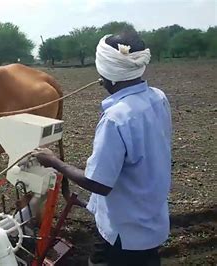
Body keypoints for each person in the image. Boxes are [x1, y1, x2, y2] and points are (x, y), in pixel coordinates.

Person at [32, 31, 172, 266]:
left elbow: (99, 184)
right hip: (152, 219)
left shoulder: (116, 118)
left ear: (106, 73)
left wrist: (54, 161)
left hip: (123, 231)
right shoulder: (158, 97)